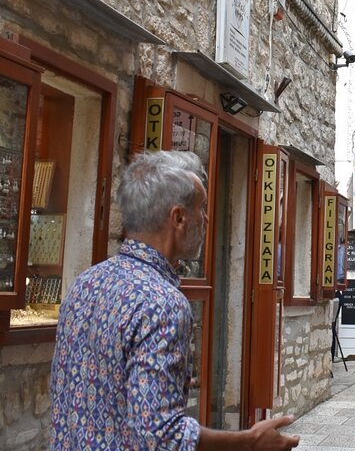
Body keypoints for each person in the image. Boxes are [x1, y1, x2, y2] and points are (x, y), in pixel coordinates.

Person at [50, 151, 300, 450]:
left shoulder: (86, 282)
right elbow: (161, 435)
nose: (206, 219)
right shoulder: (163, 304)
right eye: (201, 209)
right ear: (179, 218)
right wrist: (249, 441)